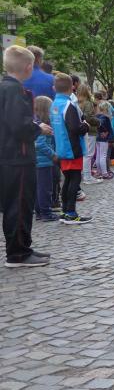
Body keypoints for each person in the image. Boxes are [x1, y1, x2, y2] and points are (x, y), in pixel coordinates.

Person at [1, 46, 54, 267]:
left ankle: (22, 247)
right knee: (20, 206)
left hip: (10, 156)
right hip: (18, 157)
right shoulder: (14, 90)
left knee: (17, 205)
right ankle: (18, 253)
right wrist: (38, 128)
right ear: (29, 66)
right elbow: (18, 125)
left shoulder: (5, 88)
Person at [51, 72, 91, 225]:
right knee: (74, 179)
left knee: (67, 179)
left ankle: (64, 212)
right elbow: (75, 128)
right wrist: (85, 126)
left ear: (54, 88)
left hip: (61, 147)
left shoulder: (54, 104)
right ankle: (71, 213)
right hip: (72, 148)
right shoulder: (69, 105)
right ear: (72, 87)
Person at [32, 96, 59, 223]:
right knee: (45, 188)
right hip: (43, 162)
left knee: (39, 188)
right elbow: (40, 144)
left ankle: (40, 211)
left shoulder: (36, 124)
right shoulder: (43, 126)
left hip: (38, 162)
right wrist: (53, 155)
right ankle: (46, 213)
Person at [77, 84, 101, 184]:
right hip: (90, 130)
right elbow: (88, 117)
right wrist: (98, 122)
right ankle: (87, 177)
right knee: (89, 154)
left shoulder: (77, 102)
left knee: (85, 154)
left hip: (83, 130)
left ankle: (85, 175)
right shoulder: (88, 103)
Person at [95, 101, 114, 179]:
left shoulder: (97, 116)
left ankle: (99, 172)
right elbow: (101, 124)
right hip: (103, 138)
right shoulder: (104, 117)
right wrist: (105, 131)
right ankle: (104, 173)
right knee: (103, 155)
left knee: (98, 155)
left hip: (98, 137)